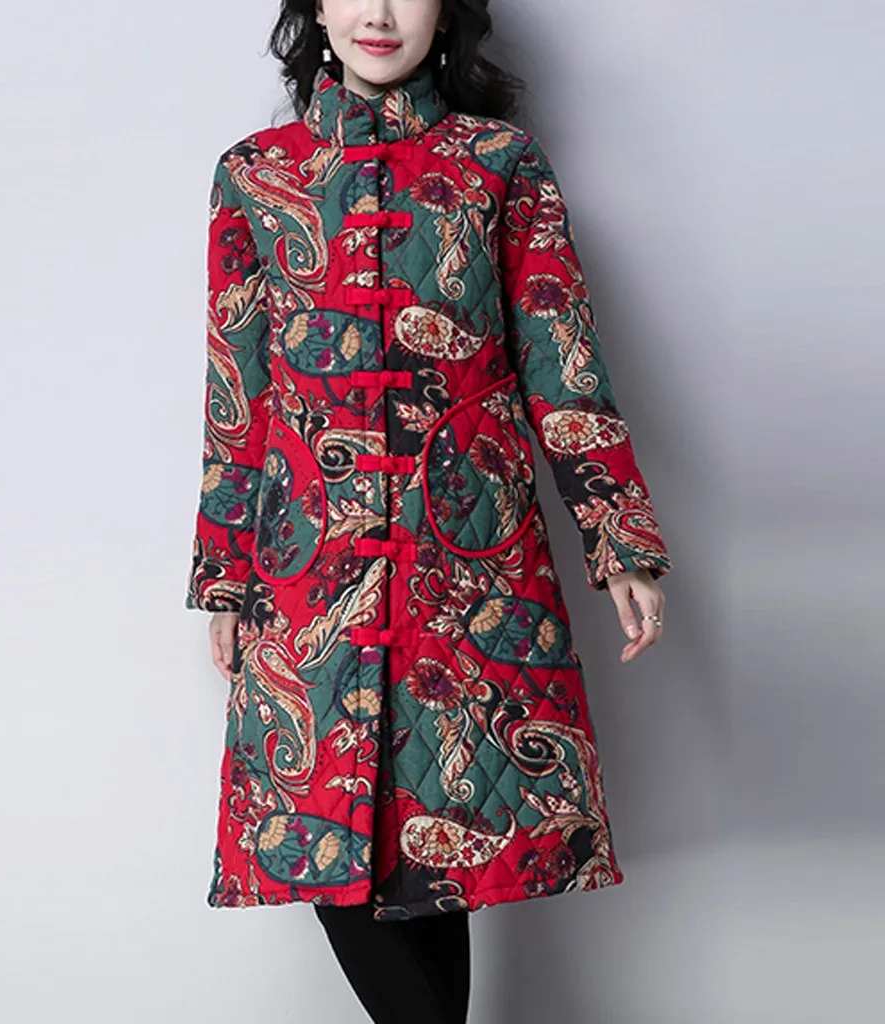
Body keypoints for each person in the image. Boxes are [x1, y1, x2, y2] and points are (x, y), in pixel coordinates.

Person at [185, 1, 672, 1021]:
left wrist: (618, 537)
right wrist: (224, 577)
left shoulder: (499, 164)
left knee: (431, 863)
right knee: (331, 850)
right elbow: (240, 397)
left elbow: (561, 361)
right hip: (308, 571)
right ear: (315, 7)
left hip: (467, 569)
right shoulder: (254, 175)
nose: (378, 12)